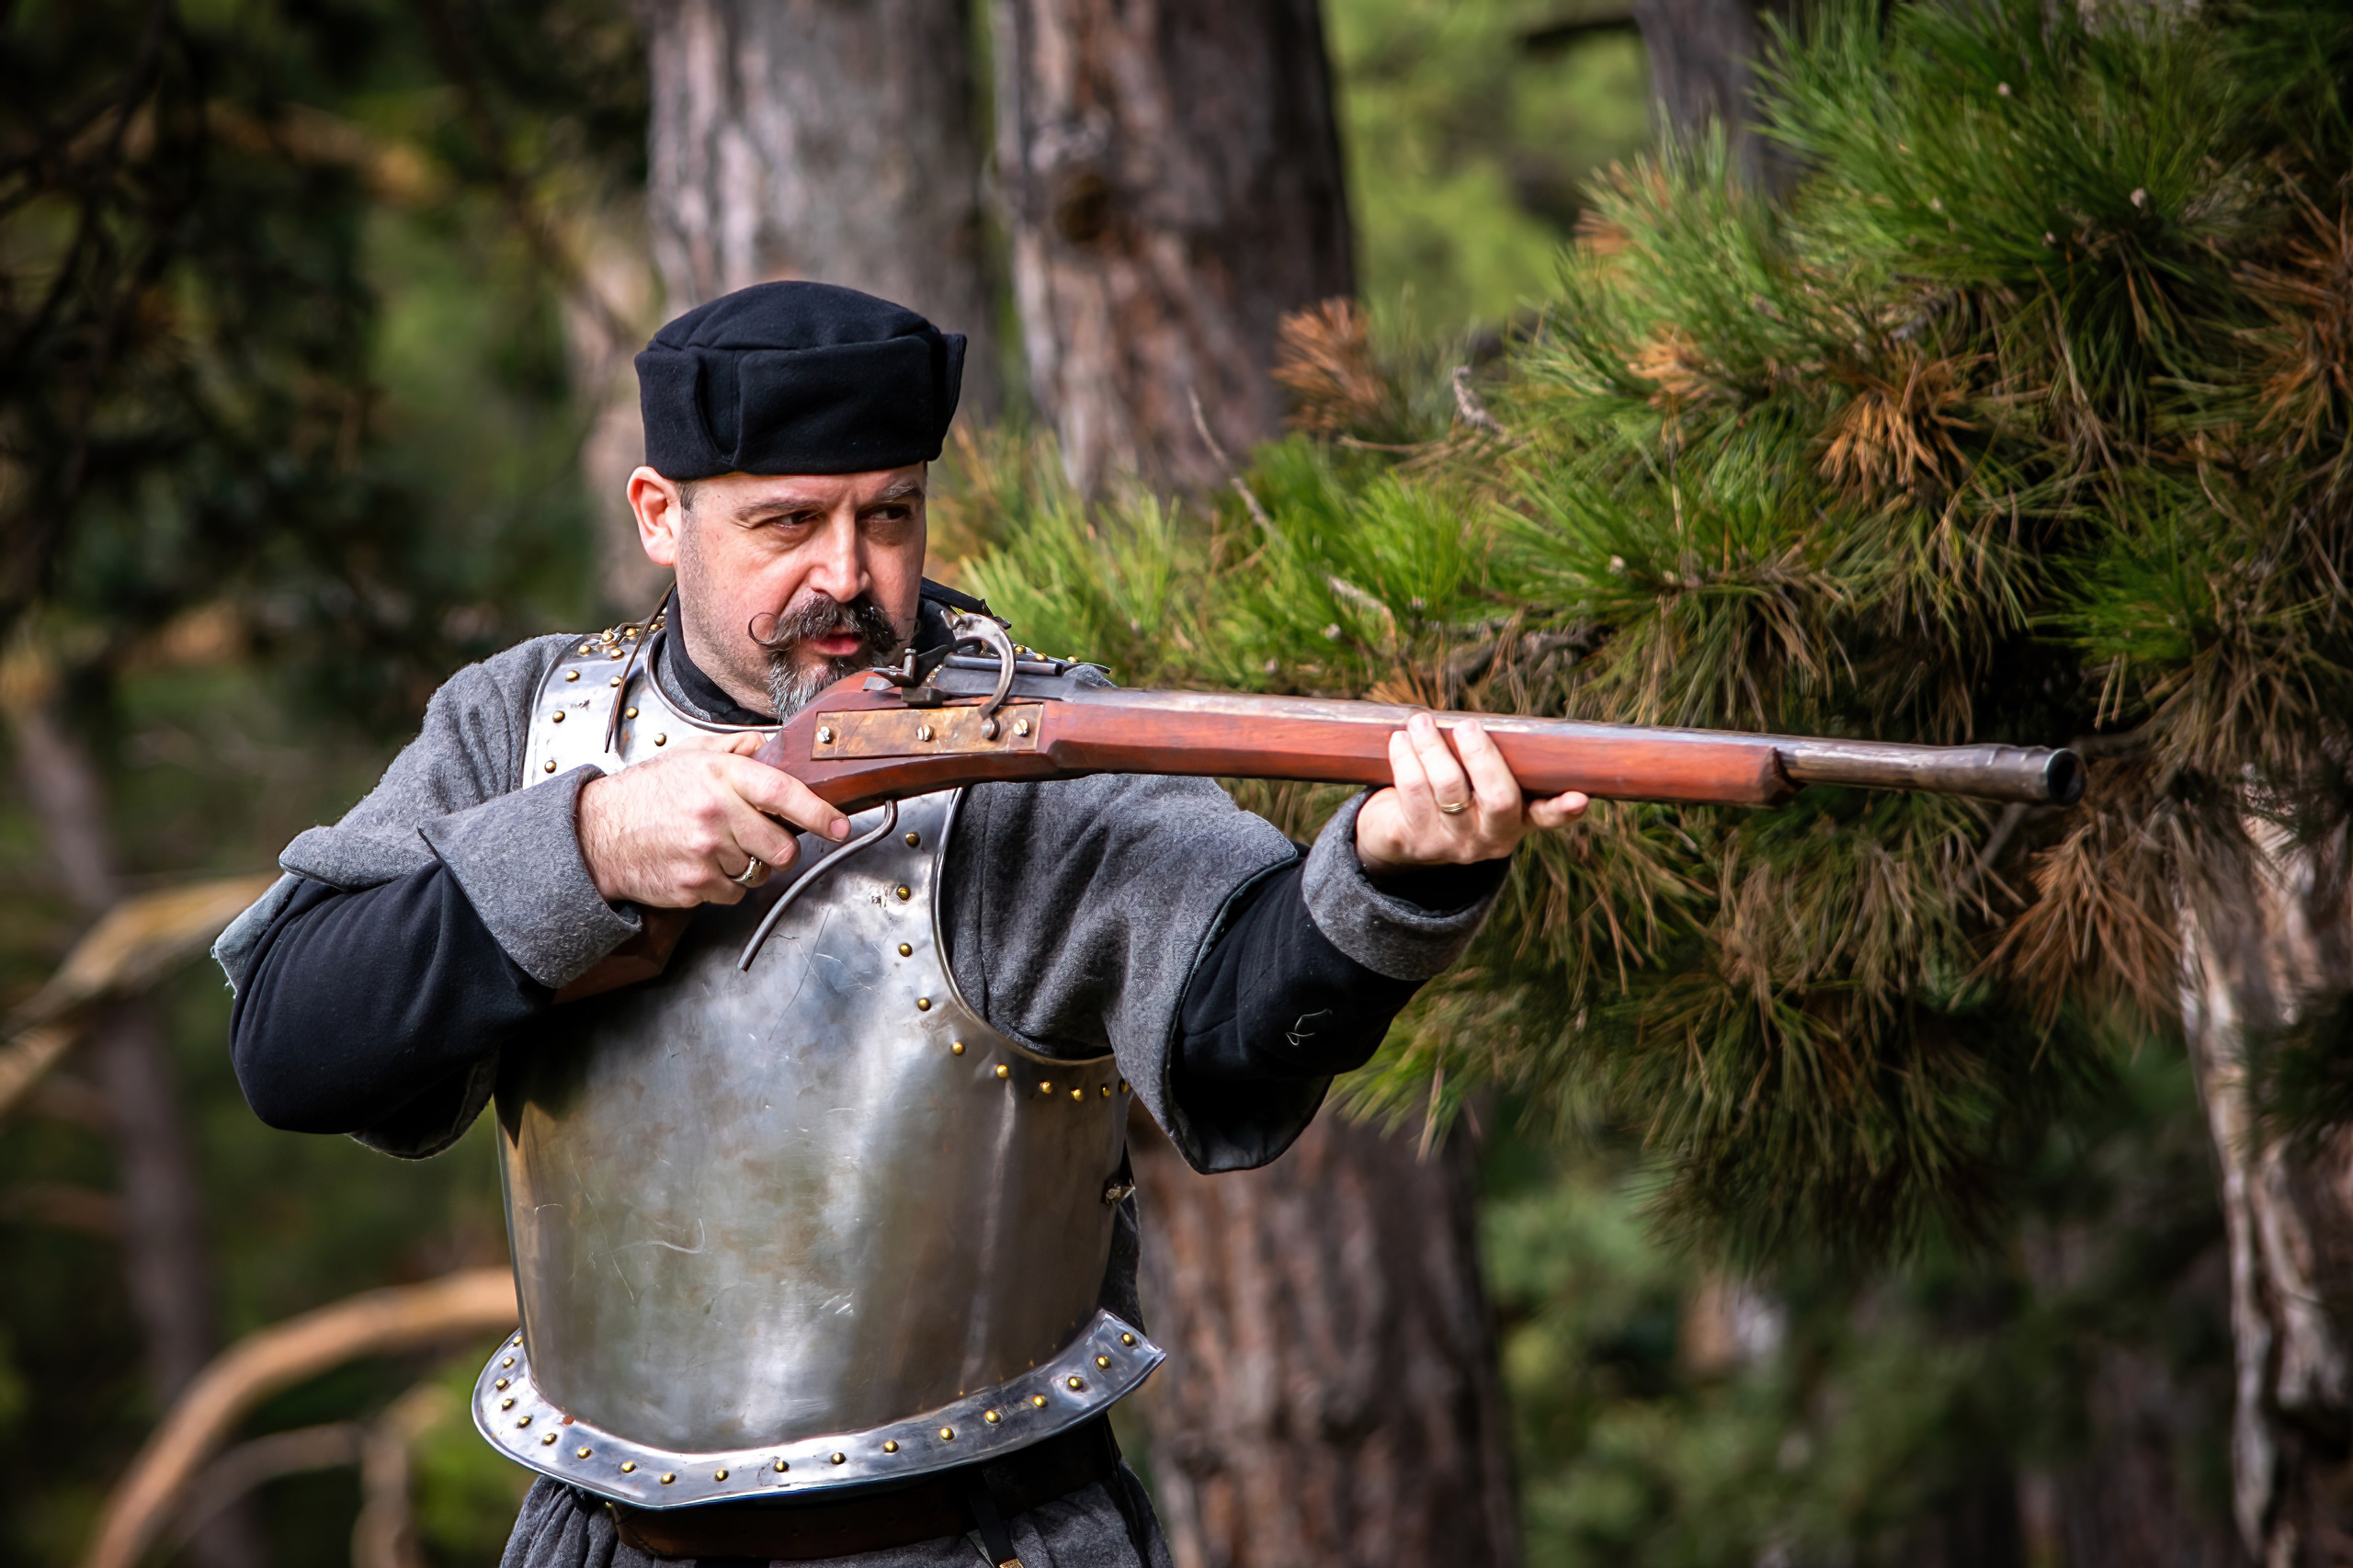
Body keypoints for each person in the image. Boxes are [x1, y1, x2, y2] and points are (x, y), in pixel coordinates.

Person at [216, 282, 1586, 1568]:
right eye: (786, 524)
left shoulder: (1032, 746)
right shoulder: (518, 725)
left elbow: (1239, 1031)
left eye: (890, 516)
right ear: (656, 513)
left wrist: (1397, 872)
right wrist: (585, 847)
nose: (849, 574)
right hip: (605, 1534)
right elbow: (291, 1038)